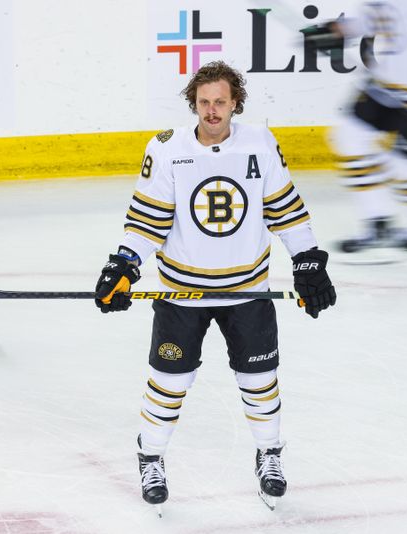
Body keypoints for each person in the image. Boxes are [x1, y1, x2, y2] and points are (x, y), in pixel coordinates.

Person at [93, 61, 337, 514]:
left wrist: (307, 261)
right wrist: (123, 265)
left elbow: (285, 209)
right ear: (194, 103)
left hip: (248, 291)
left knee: (259, 379)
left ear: (234, 102)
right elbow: (148, 222)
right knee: (170, 380)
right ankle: (151, 456)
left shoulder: (260, 144)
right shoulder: (166, 149)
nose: (211, 110)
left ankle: (269, 455)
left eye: (220, 101)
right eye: (204, 102)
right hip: (182, 293)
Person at [304, 0, 407, 258]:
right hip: (384, 86)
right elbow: (375, 18)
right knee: (348, 138)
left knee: (402, 164)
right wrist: (339, 29)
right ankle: (378, 222)